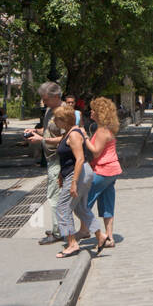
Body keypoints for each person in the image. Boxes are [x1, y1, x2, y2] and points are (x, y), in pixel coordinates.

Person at [51, 105, 106, 258]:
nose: (55, 121)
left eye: (56, 119)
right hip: (79, 173)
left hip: (78, 174)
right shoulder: (69, 132)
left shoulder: (74, 134)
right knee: (80, 208)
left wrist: (73, 182)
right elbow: (66, 155)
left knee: (63, 208)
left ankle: (72, 244)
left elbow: (80, 158)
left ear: (64, 120)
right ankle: (100, 236)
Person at [25, 82, 71, 245]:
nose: (44, 102)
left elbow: (68, 138)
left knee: (54, 196)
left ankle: (59, 231)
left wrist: (42, 139)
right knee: (58, 196)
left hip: (59, 159)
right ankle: (63, 228)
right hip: (51, 158)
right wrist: (35, 132)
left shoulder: (64, 112)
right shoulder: (49, 111)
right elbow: (48, 130)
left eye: (46, 99)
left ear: (56, 96)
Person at [84, 97, 123, 248]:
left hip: (102, 170)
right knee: (107, 204)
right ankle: (110, 237)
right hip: (112, 170)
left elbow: (95, 152)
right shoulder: (108, 128)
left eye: (93, 109)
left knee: (83, 204)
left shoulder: (101, 131)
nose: (91, 112)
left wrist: (85, 138)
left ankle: (91, 232)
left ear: (100, 112)